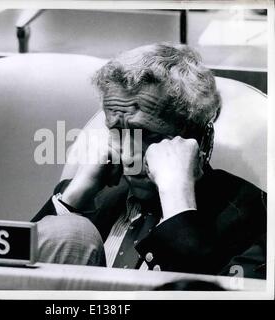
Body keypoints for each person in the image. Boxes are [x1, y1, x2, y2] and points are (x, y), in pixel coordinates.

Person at [31, 43, 266, 279]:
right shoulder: (88, 194)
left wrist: (177, 203)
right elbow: (9, 277)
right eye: (117, 132)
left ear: (201, 138)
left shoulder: (256, 215)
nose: (128, 155)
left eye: (148, 135)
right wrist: (72, 200)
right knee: (71, 231)